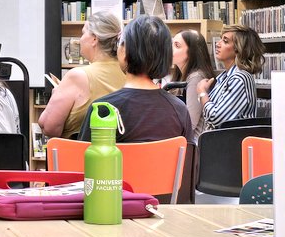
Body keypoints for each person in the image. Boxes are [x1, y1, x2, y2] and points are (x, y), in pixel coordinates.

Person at [78, 15, 192, 143]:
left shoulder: (102, 109)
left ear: (125, 51)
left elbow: (84, 153)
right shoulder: (179, 109)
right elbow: (188, 154)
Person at [38, 11, 126, 139]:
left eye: (83, 33)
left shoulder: (78, 76)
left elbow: (48, 127)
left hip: (81, 151)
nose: (80, 40)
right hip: (121, 151)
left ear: (94, 39)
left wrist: (56, 94)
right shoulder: (130, 74)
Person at [198, 24, 265, 129]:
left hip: (230, 139)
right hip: (216, 138)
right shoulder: (225, 77)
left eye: (225, 41)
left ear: (239, 49)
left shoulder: (239, 79)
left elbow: (216, 117)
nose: (218, 44)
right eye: (220, 39)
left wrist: (202, 92)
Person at [170, 29, 216, 139]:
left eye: (177, 45)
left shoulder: (196, 77)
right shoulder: (181, 75)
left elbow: (190, 123)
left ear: (191, 52)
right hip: (183, 139)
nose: (170, 49)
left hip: (193, 143)